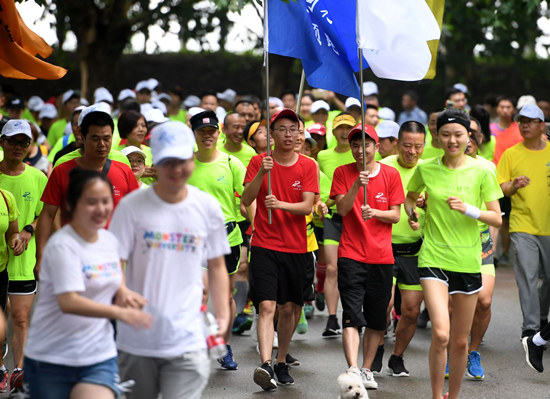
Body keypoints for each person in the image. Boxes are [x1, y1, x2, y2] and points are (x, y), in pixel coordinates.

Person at [109, 120, 230, 399]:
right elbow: (112, 259)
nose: (176, 169)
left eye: (182, 160)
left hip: (188, 338)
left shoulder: (207, 207)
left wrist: (222, 316)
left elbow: (217, 265)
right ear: (156, 163)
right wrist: (121, 290)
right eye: (168, 162)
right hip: (137, 339)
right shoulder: (131, 206)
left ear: (192, 156)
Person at [23, 168, 151, 398]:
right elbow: (69, 302)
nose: (101, 209)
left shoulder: (110, 240)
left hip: (98, 356)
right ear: (71, 205)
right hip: (51, 358)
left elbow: (114, 277)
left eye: (106, 201)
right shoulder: (63, 246)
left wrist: (123, 293)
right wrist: (120, 314)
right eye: (91, 202)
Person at [405, 108, 502, 399]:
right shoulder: (426, 168)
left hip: (468, 260)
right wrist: (413, 211)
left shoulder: (482, 170)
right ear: (437, 137)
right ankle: (437, 395)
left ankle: (454, 396)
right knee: (442, 334)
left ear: (468, 136)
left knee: (460, 342)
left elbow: (497, 218)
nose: (452, 140)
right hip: (433, 258)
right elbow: (410, 197)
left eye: (458, 134)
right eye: (445, 134)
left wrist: (468, 209)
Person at [242, 109, 318, 390]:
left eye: (293, 129)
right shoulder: (258, 161)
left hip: (297, 248)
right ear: (271, 135)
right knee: (266, 305)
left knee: (289, 309)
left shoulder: (308, 165)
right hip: (264, 244)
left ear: (300, 134)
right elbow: (247, 198)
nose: (288, 134)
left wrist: (281, 205)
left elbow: (308, 206)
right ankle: (265, 364)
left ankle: (282, 359)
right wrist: (262, 172)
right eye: (281, 129)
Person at [330, 123, 403, 390]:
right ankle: (352, 368)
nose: (360, 150)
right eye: (355, 145)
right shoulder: (342, 172)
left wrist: (376, 213)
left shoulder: (391, 175)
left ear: (377, 146)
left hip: (382, 257)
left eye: (366, 144)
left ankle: (367, 369)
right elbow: (342, 209)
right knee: (351, 313)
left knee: (377, 318)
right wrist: (355, 186)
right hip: (350, 254)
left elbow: (395, 214)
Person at [36, 103, 139, 267]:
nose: (102, 144)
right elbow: (48, 214)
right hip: (72, 257)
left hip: (114, 259)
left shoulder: (124, 170)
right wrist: (40, 256)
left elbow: (136, 213)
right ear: (82, 138)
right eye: (95, 138)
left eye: (107, 138)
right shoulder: (62, 170)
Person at [188, 110, 246, 370]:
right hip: (195, 237)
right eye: (202, 132)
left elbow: (247, 198)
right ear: (194, 134)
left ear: (218, 132)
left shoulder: (231, 163)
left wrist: (255, 228)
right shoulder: (184, 163)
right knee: (200, 293)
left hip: (228, 235)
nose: (207, 136)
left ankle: (223, 345)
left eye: (211, 131)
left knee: (226, 297)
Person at [0, 120, 48, 391]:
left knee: (20, 318)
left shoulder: (38, 177)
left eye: (23, 142)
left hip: (24, 262)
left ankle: (18, 370)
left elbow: (46, 212)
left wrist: (29, 231)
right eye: (13, 141)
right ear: (2, 142)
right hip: (0, 262)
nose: (18, 147)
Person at [497, 104, 550, 338]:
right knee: (527, 277)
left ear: (542, 125)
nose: (525, 125)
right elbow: (502, 188)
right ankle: (531, 328)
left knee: (548, 279)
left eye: (530, 121)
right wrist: (514, 186)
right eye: (521, 121)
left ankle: (540, 316)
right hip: (522, 225)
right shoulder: (511, 154)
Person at [380, 121, 426, 377]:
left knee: (410, 310)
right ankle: (375, 346)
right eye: (407, 145)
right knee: (383, 305)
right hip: (384, 246)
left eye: (418, 146)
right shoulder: (384, 167)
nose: (412, 151)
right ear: (397, 142)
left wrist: (426, 204)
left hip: (416, 251)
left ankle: (397, 356)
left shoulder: (430, 170)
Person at [316, 113, 356, 338]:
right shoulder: (323, 156)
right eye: (340, 128)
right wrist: (322, 202)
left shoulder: (362, 155)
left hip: (357, 218)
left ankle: (354, 313)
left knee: (352, 269)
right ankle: (332, 318)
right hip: (332, 216)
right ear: (333, 132)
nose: (343, 132)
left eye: (348, 129)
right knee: (332, 268)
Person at [0, 186, 23, 393]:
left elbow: (12, 232)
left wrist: (15, 240)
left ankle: (0, 369)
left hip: (0, 270)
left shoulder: (6, 198)